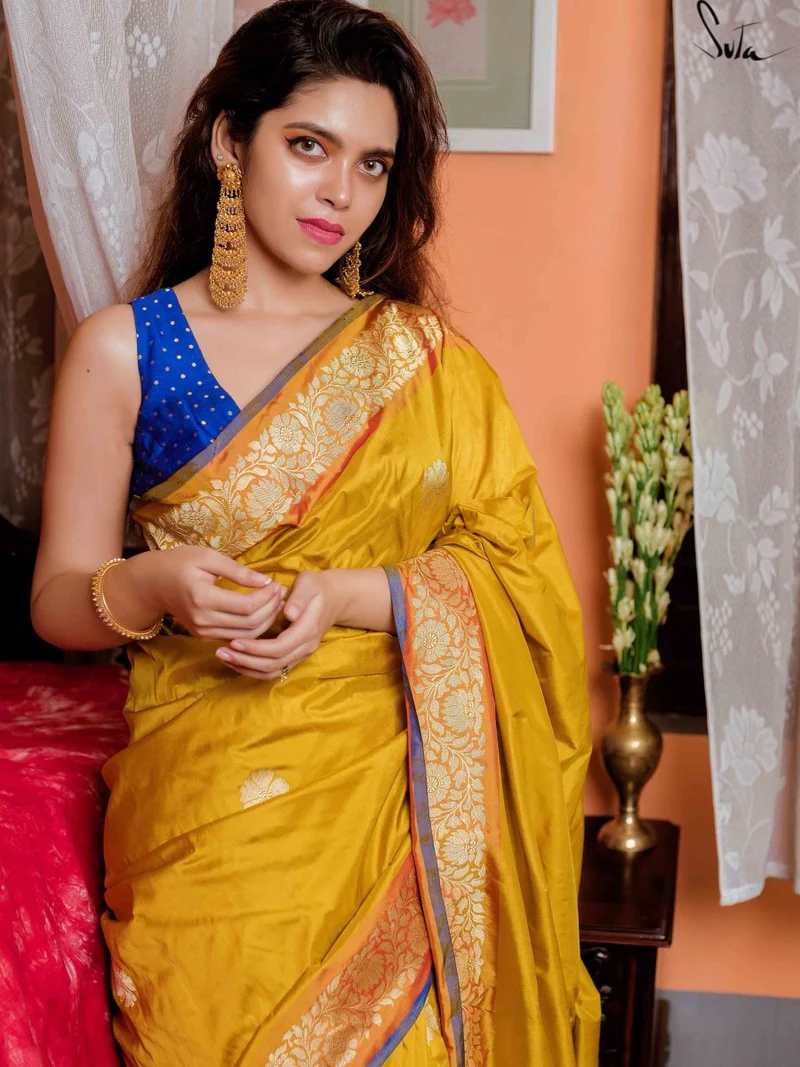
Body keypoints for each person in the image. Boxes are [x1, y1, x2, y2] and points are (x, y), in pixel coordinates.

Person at [30, 1, 601, 1063]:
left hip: (401, 807)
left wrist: (345, 594)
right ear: (228, 141)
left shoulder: (422, 359)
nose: (342, 191)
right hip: (210, 827)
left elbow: (515, 576)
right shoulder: (124, 350)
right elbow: (60, 597)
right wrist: (152, 585)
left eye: (373, 164)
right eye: (309, 146)